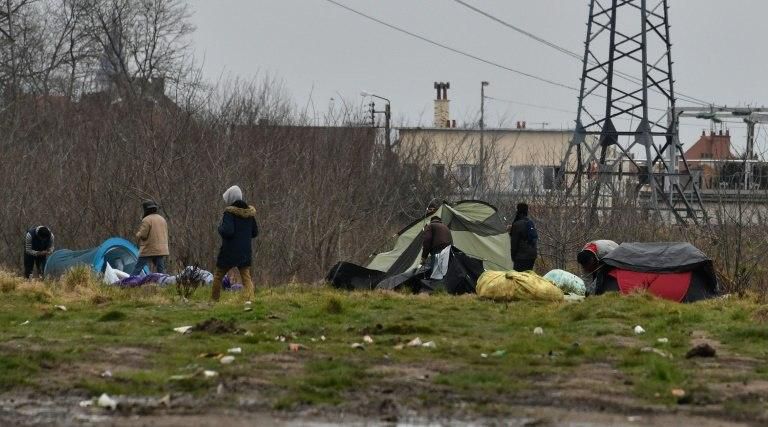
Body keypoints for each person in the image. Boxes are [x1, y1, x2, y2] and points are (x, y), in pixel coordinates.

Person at [211, 185, 258, 302]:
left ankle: (214, 300)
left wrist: (219, 228)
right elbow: (255, 232)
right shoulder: (249, 214)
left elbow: (228, 231)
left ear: (231, 199)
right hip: (245, 251)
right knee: (246, 277)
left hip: (230, 251)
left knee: (218, 276)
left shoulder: (229, 213)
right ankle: (250, 300)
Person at [132, 200, 169, 275]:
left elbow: (143, 235)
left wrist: (137, 235)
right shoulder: (162, 219)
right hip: (162, 248)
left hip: (149, 248)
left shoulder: (146, 220)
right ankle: (165, 283)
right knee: (161, 269)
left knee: (138, 267)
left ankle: (128, 283)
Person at [508, 203, 537, 272]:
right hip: (532, 256)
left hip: (521, 257)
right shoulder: (530, 222)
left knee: (518, 278)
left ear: (518, 211)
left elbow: (514, 244)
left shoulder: (517, 224)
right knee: (527, 276)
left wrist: (513, 257)